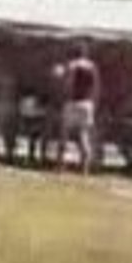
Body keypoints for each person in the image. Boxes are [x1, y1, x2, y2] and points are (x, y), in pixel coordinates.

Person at [57, 44, 101, 175]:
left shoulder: (72, 65)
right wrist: (94, 102)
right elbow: (97, 87)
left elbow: (67, 83)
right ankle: (85, 169)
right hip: (87, 103)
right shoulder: (92, 67)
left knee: (64, 134)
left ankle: (61, 167)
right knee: (84, 136)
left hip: (73, 101)